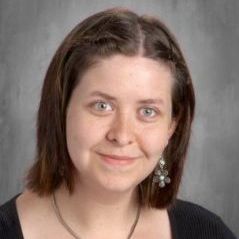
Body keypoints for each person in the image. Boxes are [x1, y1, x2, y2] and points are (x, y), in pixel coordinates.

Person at [0, 7, 237, 239]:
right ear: (60, 110)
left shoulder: (208, 232)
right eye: (102, 106)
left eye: (148, 111)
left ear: (171, 127)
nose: (122, 135)